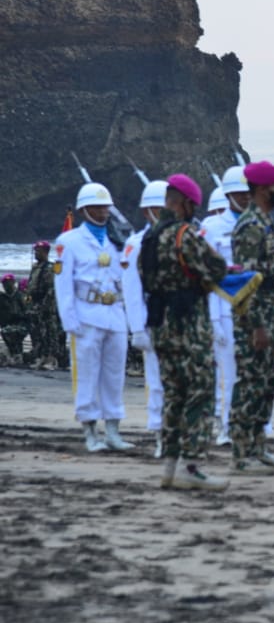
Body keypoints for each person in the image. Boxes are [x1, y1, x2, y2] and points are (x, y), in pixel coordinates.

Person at [140, 174, 230, 491]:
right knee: (200, 394)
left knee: (173, 396)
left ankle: (169, 464)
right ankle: (191, 466)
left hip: (161, 325)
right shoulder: (184, 234)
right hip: (189, 325)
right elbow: (215, 268)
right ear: (186, 204)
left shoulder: (149, 237)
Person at [53, 182, 136, 453]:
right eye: (96, 207)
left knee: (114, 376)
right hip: (86, 314)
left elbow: (128, 278)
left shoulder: (118, 238)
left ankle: (113, 430)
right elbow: (63, 286)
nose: (102, 212)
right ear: (84, 209)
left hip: (115, 314)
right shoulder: (69, 241)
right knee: (87, 375)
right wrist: (69, 320)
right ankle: (90, 431)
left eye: (105, 207)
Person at [229, 160, 274, 475]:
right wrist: (256, 326)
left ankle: (258, 445)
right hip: (256, 314)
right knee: (251, 382)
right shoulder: (251, 225)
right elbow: (245, 279)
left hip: (271, 307)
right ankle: (241, 452)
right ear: (263, 189)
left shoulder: (265, 221)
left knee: (266, 383)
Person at [121, 180, 171, 458]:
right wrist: (138, 328)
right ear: (147, 211)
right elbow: (132, 290)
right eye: (160, 208)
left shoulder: (183, 238)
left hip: (182, 322)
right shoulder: (136, 244)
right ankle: (159, 433)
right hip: (153, 321)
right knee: (156, 381)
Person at [198, 171, 244, 446]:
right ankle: (224, 425)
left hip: (252, 311)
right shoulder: (212, 228)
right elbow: (208, 277)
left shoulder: (257, 223)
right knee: (225, 374)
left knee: (252, 373)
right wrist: (213, 317)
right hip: (223, 310)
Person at [27, 241, 65, 369]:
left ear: (46, 252)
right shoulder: (35, 267)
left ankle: (51, 359)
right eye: (35, 250)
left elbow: (51, 289)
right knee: (38, 333)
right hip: (34, 304)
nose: (36, 253)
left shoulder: (50, 268)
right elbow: (30, 286)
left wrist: (45, 306)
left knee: (49, 333)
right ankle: (41, 357)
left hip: (46, 306)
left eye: (39, 250)